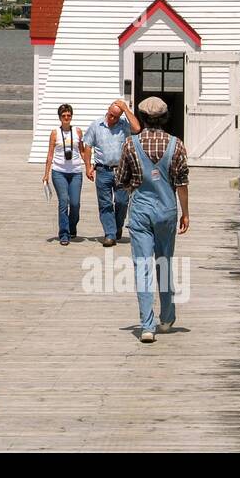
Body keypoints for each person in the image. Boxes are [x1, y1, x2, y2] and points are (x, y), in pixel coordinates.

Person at [114, 96, 189, 344]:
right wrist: (185, 212)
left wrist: (134, 186)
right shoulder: (176, 145)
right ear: (165, 117)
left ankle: (147, 326)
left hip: (141, 211)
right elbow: (182, 182)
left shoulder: (130, 144)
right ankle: (166, 317)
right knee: (164, 263)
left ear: (143, 118)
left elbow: (122, 178)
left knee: (142, 266)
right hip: (167, 210)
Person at [81, 99, 141, 247]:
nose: (112, 118)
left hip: (121, 170)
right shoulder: (96, 125)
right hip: (103, 170)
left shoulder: (123, 126)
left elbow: (137, 128)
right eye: (110, 114)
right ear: (107, 111)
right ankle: (110, 234)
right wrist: (88, 166)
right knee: (105, 204)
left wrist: (126, 109)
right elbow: (87, 145)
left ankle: (117, 226)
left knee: (122, 202)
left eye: (115, 116)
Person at [41, 103, 83, 245]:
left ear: (71, 116)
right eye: (63, 115)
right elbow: (50, 154)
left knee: (75, 203)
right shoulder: (55, 133)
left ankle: (72, 227)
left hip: (76, 171)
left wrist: (89, 166)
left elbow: (82, 151)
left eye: (68, 115)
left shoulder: (77, 131)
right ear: (60, 117)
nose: (66, 117)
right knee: (63, 202)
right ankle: (63, 233)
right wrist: (46, 174)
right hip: (59, 172)